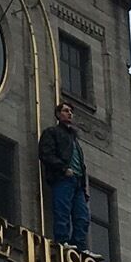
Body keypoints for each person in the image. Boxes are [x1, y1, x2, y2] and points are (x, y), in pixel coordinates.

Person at [40, 98, 89, 248]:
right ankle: (62, 241)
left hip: (77, 182)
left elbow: (81, 163)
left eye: (71, 112)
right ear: (58, 114)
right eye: (66, 111)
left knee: (82, 217)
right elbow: (45, 153)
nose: (69, 114)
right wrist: (63, 169)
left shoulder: (73, 138)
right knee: (62, 211)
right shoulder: (52, 132)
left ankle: (80, 246)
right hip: (63, 178)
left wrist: (83, 187)